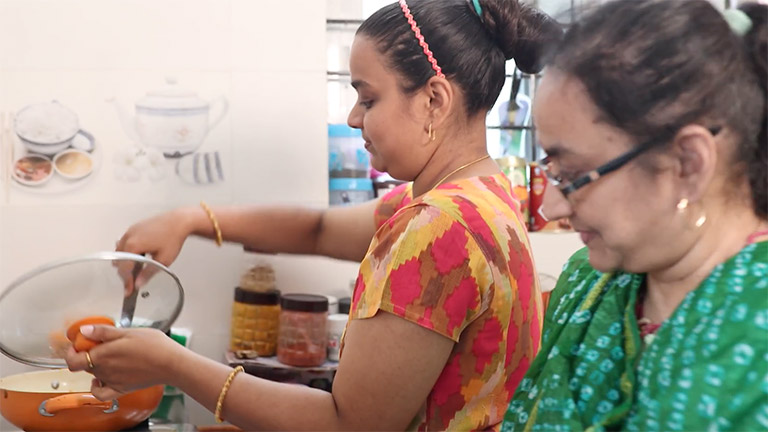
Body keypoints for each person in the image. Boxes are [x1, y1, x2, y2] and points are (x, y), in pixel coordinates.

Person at [66, 0, 562, 430]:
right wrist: (191, 220)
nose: (352, 117)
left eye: (369, 98)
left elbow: (348, 424)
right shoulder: (480, 197)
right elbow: (318, 228)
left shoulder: (439, 227)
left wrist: (172, 363)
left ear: (434, 99)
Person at [500, 1, 768, 430]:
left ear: (688, 164)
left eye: (572, 175)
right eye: (549, 171)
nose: (551, 206)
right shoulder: (587, 283)